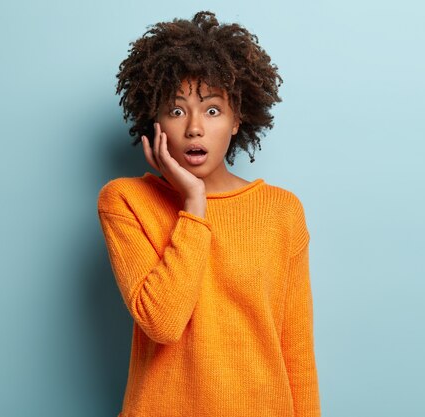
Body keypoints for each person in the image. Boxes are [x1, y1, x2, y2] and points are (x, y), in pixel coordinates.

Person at [97, 10, 321, 417]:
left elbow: (297, 353)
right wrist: (194, 202)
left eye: (213, 110)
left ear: (238, 120)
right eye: (177, 110)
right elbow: (163, 322)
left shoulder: (281, 212)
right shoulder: (125, 201)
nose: (195, 128)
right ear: (156, 121)